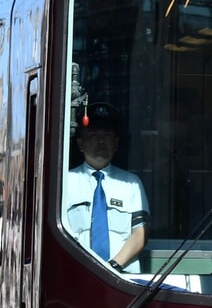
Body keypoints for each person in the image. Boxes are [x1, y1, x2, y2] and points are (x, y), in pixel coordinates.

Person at [63, 103, 149, 273]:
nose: (101, 141)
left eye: (108, 135)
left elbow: (140, 234)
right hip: (78, 274)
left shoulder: (131, 184)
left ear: (116, 143)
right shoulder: (65, 182)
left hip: (123, 278)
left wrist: (111, 267)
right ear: (80, 144)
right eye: (93, 135)